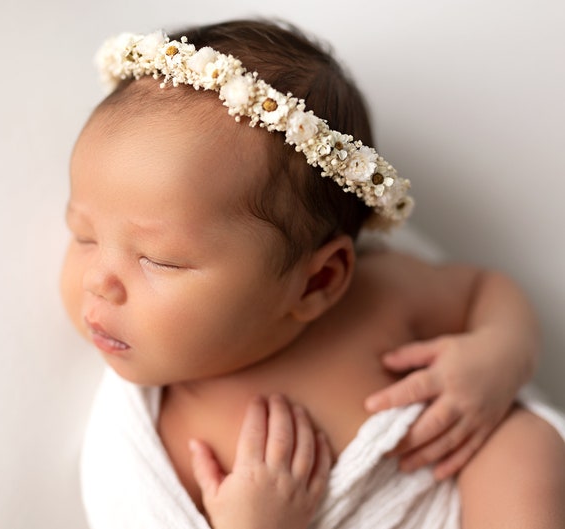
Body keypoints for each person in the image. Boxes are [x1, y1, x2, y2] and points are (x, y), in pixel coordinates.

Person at [62, 19, 565, 528]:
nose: (97, 280)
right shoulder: (156, 444)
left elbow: (485, 289)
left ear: (319, 282)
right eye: (82, 235)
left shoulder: (385, 294)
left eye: (159, 259)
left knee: (523, 443)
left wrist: (501, 355)